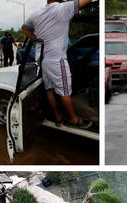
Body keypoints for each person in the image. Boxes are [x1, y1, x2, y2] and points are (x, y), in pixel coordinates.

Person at [22, 0, 94, 128]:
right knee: (65, 91)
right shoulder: (63, 8)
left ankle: (58, 116)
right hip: (57, 59)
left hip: (42, 59)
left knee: (49, 90)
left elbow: (25, 28)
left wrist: (35, 39)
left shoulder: (36, 14)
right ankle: (74, 119)